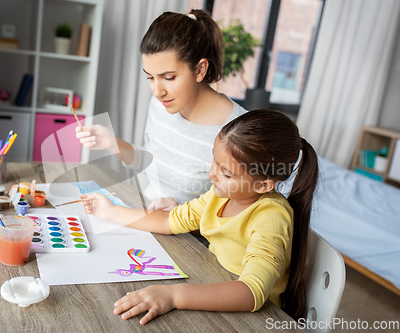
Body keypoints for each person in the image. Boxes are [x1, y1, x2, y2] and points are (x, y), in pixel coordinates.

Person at [81, 110, 319, 325]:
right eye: (214, 161)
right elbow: (168, 221)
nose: (212, 174)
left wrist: (173, 295)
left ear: (264, 184)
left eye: (225, 173)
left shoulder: (271, 216)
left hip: (252, 319)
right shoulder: (218, 196)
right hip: (213, 284)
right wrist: (110, 211)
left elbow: (251, 292)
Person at [76, 9, 247, 211]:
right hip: (147, 215)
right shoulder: (160, 106)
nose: (157, 91)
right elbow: (152, 163)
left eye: (168, 77)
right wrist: (112, 143)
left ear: (200, 70)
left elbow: (242, 212)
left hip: (191, 238)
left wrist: (182, 212)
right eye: (150, 77)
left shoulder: (240, 130)